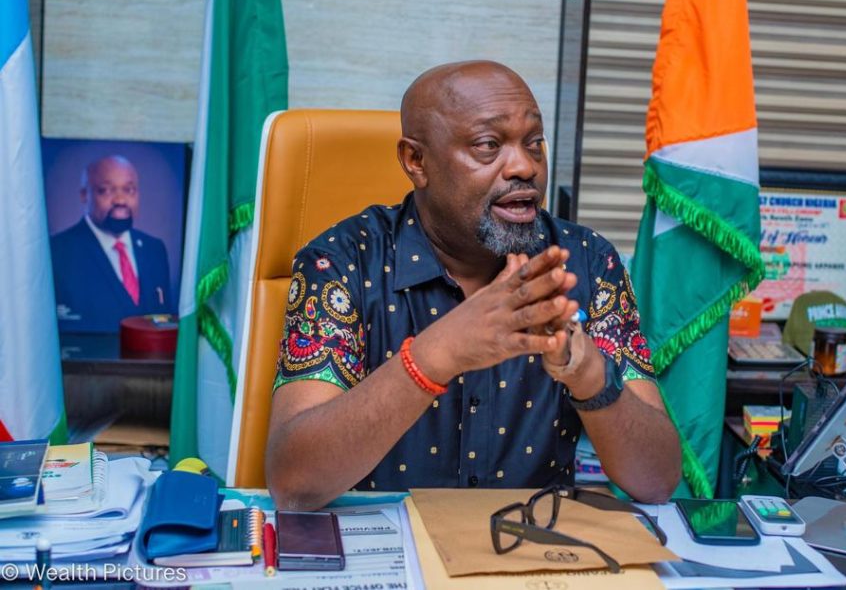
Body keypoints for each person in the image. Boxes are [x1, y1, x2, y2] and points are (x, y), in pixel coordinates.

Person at [266, 61, 681, 509]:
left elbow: (656, 480)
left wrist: (588, 374)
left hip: (530, 542)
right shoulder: (342, 262)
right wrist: (440, 352)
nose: (524, 166)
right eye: (489, 146)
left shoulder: (586, 262)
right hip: (388, 544)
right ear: (416, 161)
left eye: (534, 143)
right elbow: (294, 482)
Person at [50, 155, 173, 333]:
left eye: (129, 190)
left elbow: (165, 323)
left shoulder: (154, 249)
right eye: (106, 191)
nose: (120, 200)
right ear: (84, 195)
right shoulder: (57, 252)